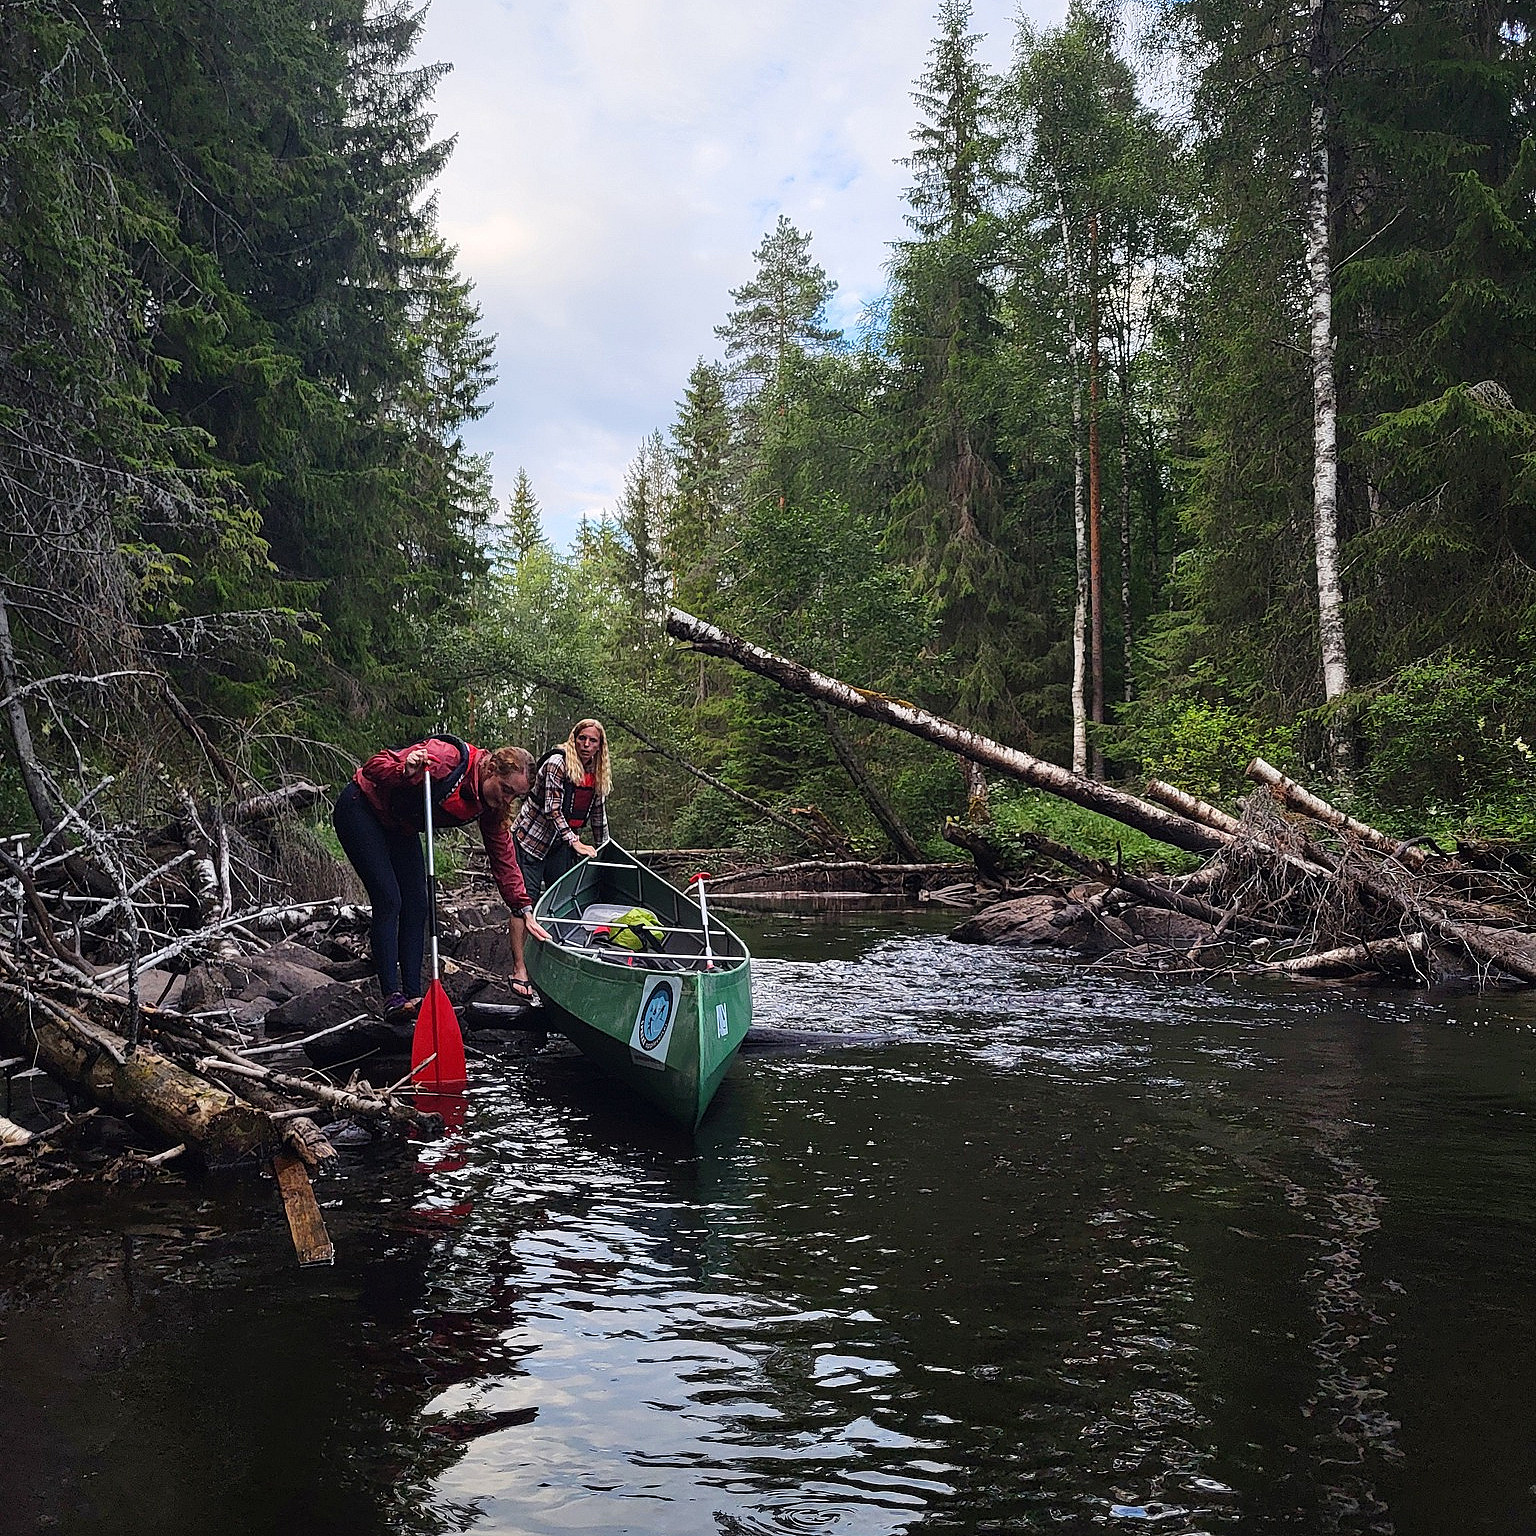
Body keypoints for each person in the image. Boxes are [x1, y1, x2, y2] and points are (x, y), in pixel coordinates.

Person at [333, 734, 550, 1012]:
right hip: (361, 808)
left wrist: (522, 907)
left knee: (418, 904)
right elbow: (375, 765)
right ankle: (391, 996)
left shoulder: (493, 806)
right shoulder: (446, 758)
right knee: (389, 899)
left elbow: (503, 858)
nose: (507, 799)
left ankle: (413, 997)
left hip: (400, 826)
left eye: (515, 796)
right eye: (506, 789)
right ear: (492, 769)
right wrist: (406, 769)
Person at [508, 718, 611, 982]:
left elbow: (598, 815)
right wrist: (574, 841)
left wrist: (605, 849)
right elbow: (552, 809)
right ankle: (519, 968)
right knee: (524, 903)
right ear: (574, 738)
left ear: (600, 745)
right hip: (532, 839)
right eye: (582, 738)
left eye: (592, 740)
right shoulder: (557, 763)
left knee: (561, 901)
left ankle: (558, 962)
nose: (586, 745)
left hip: (560, 845)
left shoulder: (597, 772)